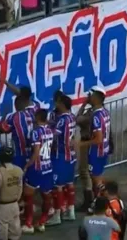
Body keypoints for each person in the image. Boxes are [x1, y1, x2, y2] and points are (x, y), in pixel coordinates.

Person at [23, 109, 55, 233]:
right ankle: (42, 222)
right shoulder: (50, 131)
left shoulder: (36, 132)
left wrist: (27, 165)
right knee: (47, 196)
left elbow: (36, 152)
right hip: (48, 167)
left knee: (28, 195)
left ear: (37, 117)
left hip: (36, 168)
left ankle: (29, 223)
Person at [47, 94, 77, 225]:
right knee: (69, 183)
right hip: (71, 155)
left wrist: (44, 128)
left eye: (58, 102)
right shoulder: (72, 117)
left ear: (62, 104)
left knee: (57, 186)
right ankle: (71, 211)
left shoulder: (62, 119)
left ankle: (57, 215)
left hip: (61, 156)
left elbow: (54, 135)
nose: (56, 104)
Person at [0, 146, 23, 240]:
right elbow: (20, 189)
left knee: (1, 235)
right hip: (14, 205)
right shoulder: (19, 170)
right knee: (15, 234)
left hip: (1, 207)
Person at [79, 87, 111, 196]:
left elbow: (98, 139)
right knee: (98, 177)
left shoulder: (96, 116)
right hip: (104, 150)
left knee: (96, 181)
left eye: (90, 96)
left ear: (95, 98)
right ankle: (101, 200)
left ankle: (108, 201)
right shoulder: (105, 112)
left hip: (96, 152)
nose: (88, 98)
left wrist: (79, 144)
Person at [0, 95, 32, 169]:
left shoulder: (14, 117)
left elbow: (3, 129)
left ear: (15, 105)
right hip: (31, 151)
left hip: (19, 152)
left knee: (19, 174)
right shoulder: (31, 114)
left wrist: (4, 116)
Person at [76, 89, 94, 210]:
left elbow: (78, 119)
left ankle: (89, 201)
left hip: (87, 142)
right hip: (89, 142)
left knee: (85, 171)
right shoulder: (98, 112)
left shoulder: (92, 113)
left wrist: (84, 103)